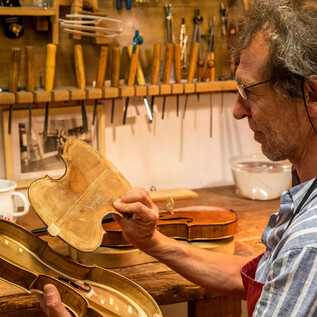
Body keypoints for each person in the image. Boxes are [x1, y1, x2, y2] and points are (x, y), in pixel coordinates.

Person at [38, 0, 317, 316]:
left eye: (249, 92)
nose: (238, 111)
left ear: (311, 95)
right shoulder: (303, 213)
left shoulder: (307, 246)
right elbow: (262, 278)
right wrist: (154, 242)